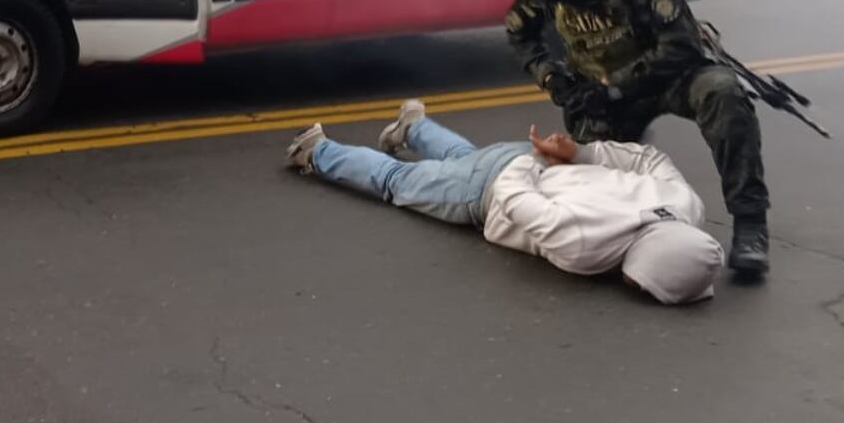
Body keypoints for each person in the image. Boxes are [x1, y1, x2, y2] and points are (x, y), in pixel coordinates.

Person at [504, 0, 771, 278]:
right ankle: (628, 232)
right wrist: (554, 81)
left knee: (723, 94)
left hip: (667, 74)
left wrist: (616, 87)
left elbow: (681, 45)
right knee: (586, 175)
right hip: (606, 92)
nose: (560, 5)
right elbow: (520, 32)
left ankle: (750, 224)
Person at [284, 103, 723, 305]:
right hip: (496, 185)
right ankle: (316, 149)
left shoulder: (685, 205)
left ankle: (414, 127)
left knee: (463, 159)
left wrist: (578, 154)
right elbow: (514, 199)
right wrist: (530, 162)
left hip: (529, 164)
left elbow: (650, 158)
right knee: (398, 182)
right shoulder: (586, 248)